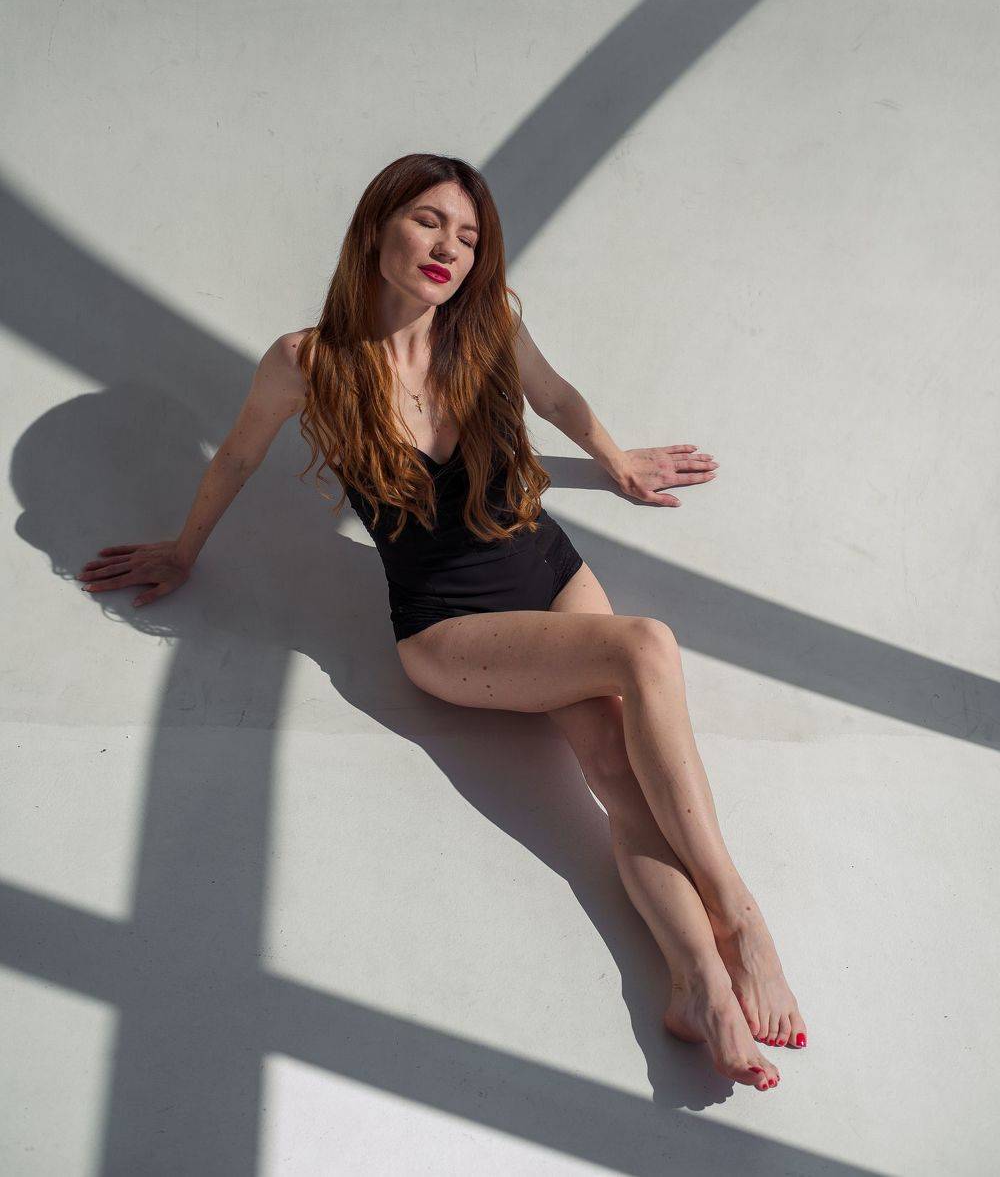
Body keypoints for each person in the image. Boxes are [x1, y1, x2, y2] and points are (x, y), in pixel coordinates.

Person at [78, 153, 805, 1091]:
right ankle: (740, 916)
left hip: (549, 572)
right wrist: (183, 551)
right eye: (428, 221)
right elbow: (238, 459)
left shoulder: (488, 322)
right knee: (646, 646)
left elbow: (553, 395)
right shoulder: (309, 361)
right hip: (450, 628)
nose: (448, 249)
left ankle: (697, 983)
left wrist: (618, 461)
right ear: (376, 226)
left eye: (467, 236)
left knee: (617, 775)